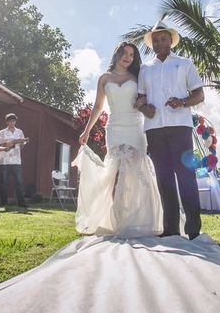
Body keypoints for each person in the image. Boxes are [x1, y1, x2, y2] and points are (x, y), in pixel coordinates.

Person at [74, 41, 163, 237]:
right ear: (117, 54)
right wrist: (87, 130)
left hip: (135, 127)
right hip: (114, 128)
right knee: (114, 174)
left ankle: (140, 220)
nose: (128, 57)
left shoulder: (137, 76)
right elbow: (98, 107)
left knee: (136, 173)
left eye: (132, 54)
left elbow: (146, 99)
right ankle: (117, 220)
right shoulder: (104, 78)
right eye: (125, 53)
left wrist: (142, 102)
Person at [136, 20, 205, 240]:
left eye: (163, 39)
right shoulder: (145, 68)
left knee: (186, 176)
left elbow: (199, 95)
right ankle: (171, 229)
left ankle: (193, 229)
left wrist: (183, 102)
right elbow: (140, 98)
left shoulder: (185, 63)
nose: (158, 42)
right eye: (155, 40)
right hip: (154, 129)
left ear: (171, 41)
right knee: (164, 178)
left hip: (180, 127)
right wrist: (145, 108)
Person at [0, 113, 29, 207]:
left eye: (14, 121)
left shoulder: (19, 132)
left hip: (16, 161)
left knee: (19, 182)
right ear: (7, 122)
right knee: (4, 182)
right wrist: (8, 144)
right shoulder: (1, 132)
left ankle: (21, 203)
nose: (12, 122)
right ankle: (4, 203)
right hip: (4, 161)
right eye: (10, 121)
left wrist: (21, 142)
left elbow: (22, 146)